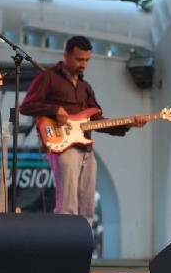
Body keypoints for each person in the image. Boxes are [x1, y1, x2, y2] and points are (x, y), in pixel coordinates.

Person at [19, 35, 147, 226]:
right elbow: (26, 106)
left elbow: (97, 120)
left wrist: (128, 123)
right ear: (66, 55)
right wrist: (54, 110)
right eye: (79, 59)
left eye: (87, 60)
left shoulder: (85, 87)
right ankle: (63, 249)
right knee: (67, 206)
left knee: (87, 207)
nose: (83, 64)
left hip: (86, 148)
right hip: (62, 144)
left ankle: (83, 249)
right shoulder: (49, 77)